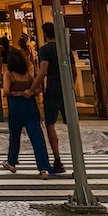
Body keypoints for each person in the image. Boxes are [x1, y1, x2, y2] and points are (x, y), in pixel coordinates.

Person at [2, 45, 54, 178]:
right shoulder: (27, 74)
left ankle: (12, 162)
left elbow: (7, 90)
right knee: (37, 137)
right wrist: (28, 92)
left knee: (15, 136)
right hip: (31, 106)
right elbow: (36, 90)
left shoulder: (9, 74)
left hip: (16, 107)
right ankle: (43, 168)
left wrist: (15, 92)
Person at [34, 22, 66, 174]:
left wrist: (33, 89)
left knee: (50, 124)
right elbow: (72, 71)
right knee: (72, 125)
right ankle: (76, 158)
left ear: (45, 34)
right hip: (66, 90)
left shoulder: (45, 50)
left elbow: (43, 71)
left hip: (52, 90)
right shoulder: (65, 48)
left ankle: (58, 158)